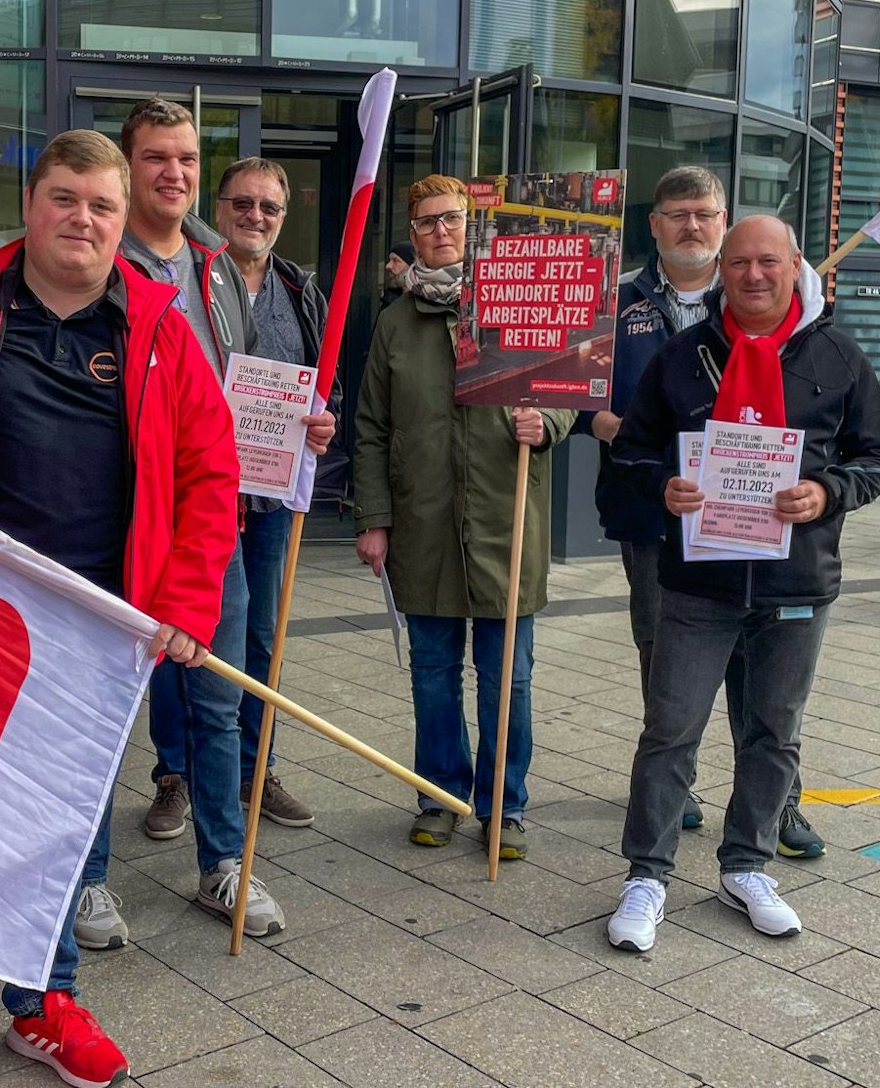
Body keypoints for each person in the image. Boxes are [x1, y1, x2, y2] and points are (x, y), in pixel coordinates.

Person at [0, 129, 240, 1088]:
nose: (83, 218)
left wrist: (186, 600)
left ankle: (41, 1002)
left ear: (124, 221)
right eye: (66, 198)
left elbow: (209, 473)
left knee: (67, 825)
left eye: (101, 206)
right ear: (32, 205)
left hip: (97, 629)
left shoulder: (159, 326)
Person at [605, 215, 880, 954]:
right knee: (670, 730)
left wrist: (829, 491)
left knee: (774, 732)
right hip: (698, 582)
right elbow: (633, 452)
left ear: (794, 263)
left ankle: (748, 864)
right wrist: (664, 486)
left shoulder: (838, 356)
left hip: (797, 579)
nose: (753, 275)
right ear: (722, 270)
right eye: (738, 263)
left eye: (768, 261)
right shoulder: (681, 357)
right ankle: (647, 874)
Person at [596, 168, 827, 858]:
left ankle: (779, 804)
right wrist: (603, 423)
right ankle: (677, 786)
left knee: (765, 668)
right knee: (667, 654)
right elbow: (572, 391)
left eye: (703, 213)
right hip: (655, 515)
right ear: (655, 225)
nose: (691, 225)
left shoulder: (776, 302)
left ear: (723, 222)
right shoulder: (618, 304)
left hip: (761, 522)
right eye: (677, 214)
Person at [351, 174, 576, 860]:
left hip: (507, 524)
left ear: (473, 227)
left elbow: (569, 387)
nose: (439, 230)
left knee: (507, 676)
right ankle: (441, 796)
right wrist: (374, 518)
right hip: (424, 526)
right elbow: (370, 427)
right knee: (432, 671)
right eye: (424, 222)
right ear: (412, 234)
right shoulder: (395, 322)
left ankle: (503, 806)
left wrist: (553, 421)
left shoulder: (518, 303)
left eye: (451, 218)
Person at [113, 98, 288, 942]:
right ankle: (85, 877)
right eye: (155, 157)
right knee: (106, 698)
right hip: (116, 511)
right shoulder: (102, 259)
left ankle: (225, 863)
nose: (173, 172)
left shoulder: (221, 268)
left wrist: (294, 431)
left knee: (217, 698)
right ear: (127, 164)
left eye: (185, 157)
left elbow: (240, 387)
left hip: (208, 511)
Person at [215, 156, 338, 829]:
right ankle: (177, 773)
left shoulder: (301, 288)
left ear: (283, 217)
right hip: (203, 490)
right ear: (221, 205)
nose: (254, 215)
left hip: (270, 495)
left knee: (264, 634)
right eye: (242, 202)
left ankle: (255, 769)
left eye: (268, 206)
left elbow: (325, 379)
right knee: (193, 631)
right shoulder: (195, 279)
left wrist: (326, 419)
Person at [381, 242, 413, 309]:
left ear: (411, 268)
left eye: (395, 261)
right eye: (390, 260)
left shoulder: (428, 304)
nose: (388, 266)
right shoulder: (388, 302)